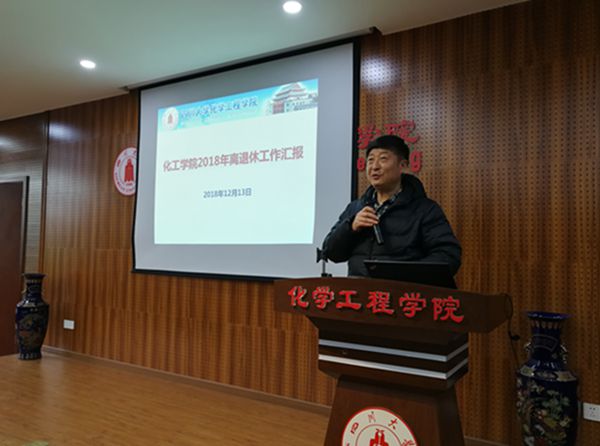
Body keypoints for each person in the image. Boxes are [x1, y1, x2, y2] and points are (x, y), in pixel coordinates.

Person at [321, 134, 461, 277]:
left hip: (401, 290)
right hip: (359, 289)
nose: (374, 167)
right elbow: (331, 253)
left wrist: (403, 276)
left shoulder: (425, 209)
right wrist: (351, 227)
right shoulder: (355, 208)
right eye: (370, 160)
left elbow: (449, 256)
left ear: (403, 166)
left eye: (383, 159)